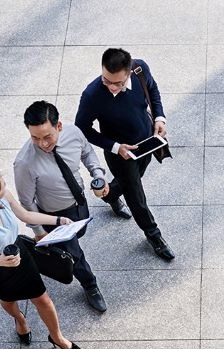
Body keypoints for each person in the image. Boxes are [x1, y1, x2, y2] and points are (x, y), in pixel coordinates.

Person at [0, 168, 81, 349]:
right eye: (2, 186)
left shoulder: (4, 197)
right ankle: (20, 319)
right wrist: (1, 262)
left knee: (42, 298)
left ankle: (57, 336)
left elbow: (25, 215)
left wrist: (58, 220)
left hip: (21, 256)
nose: (6, 187)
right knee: (8, 300)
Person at [75, 47, 175, 261]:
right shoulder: (92, 94)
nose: (111, 87)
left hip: (147, 141)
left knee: (134, 179)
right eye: (106, 80)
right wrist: (115, 147)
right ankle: (153, 235)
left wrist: (159, 118)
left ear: (129, 72)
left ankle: (110, 194)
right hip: (119, 153)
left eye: (118, 83)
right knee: (136, 196)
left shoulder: (140, 69)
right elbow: (81, 127)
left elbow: (153, 89)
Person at [14, 100, 112, 313]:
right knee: (74, 253)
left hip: (79, 202)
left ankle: (51, 246)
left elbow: (87, 153)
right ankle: (90, 285)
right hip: (53, 215)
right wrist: (39, 231)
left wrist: (98, 174)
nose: (42, 144)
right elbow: (26, 202)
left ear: (58, 126)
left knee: (80, 232)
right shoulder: (24, 163)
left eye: (47, 136)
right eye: (35, 138)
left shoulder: (73, 133)